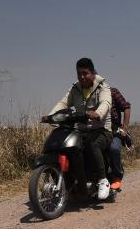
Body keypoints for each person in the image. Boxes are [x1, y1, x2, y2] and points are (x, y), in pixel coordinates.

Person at [43, 58, 113, 200]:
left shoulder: (103, 87)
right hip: (81, 130)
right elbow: (63, 103)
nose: (82, 77)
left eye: (85, 73)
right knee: (65, 145)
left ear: (93, 73)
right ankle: (71, 181)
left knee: (93, 145)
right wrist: (51, 115)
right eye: (79, 73)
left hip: (102, 130)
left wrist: (98, 114)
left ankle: (102, 180)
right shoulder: (75, 89)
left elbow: (105, 103)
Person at [108, 85, 132, 189]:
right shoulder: (89, 95)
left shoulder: (112, 92)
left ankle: (117, 176)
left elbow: (126, 107)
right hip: (96, 130)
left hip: (114, 130)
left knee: (114, 149)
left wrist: (124, 129)